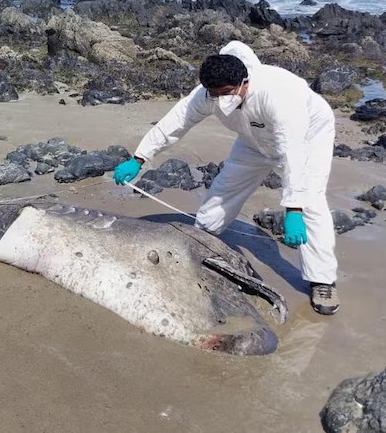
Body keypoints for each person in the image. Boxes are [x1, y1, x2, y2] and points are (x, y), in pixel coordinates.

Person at [112, 41, 339, 316]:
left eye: (227, 93)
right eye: (214, 94)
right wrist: (139, 158)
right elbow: (174, 123)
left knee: (311, 204)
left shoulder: (279, 94)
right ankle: (202, 240)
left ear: (245, 82)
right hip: (252, 142)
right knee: (223, 190)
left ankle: (323, 280)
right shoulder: (207, 95)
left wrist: (293, 209)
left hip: (307, 138)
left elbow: (293, 152)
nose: (221, 100)